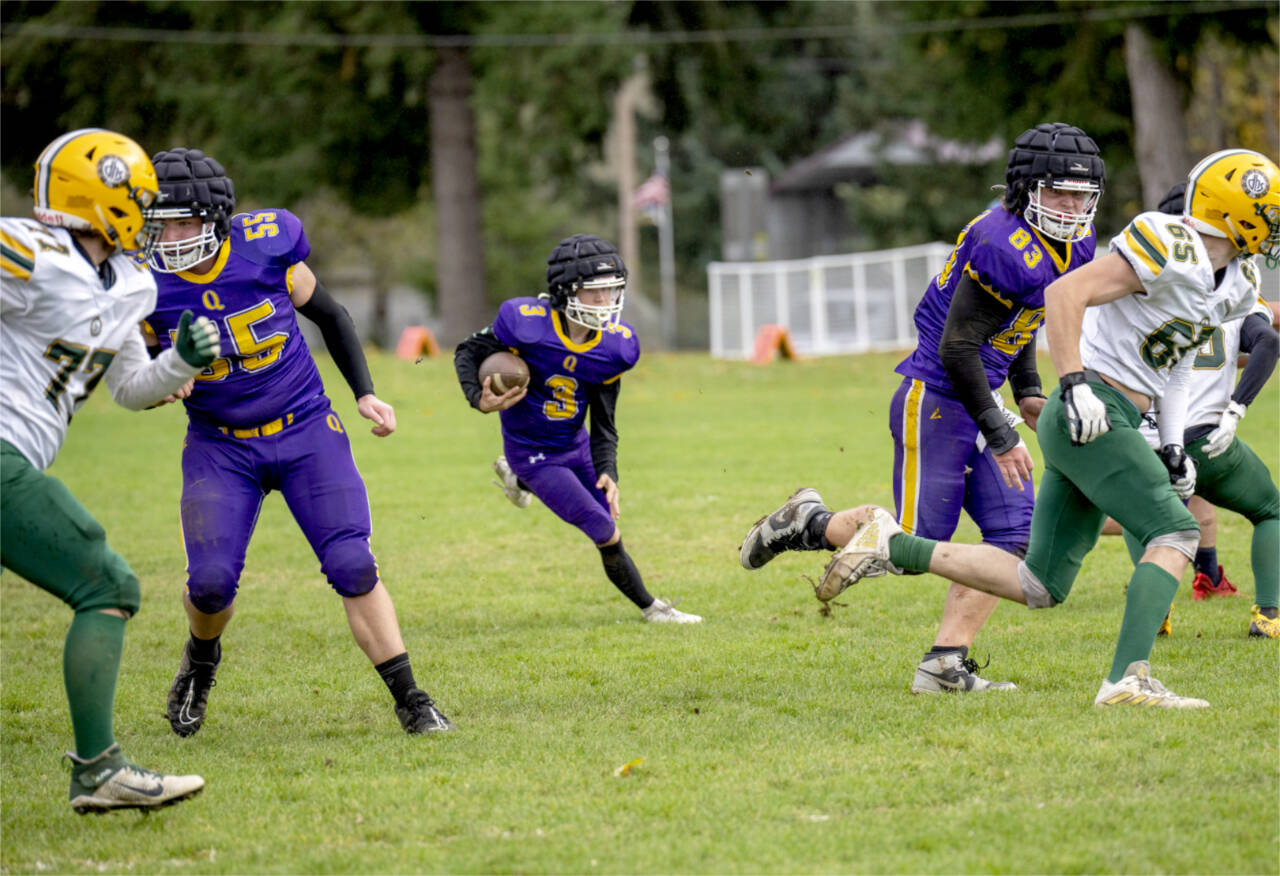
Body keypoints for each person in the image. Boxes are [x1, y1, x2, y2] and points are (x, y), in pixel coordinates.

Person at [748, 148, 1280, 708]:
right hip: (1084, 405)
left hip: (1116, 411)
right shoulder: (1166, 242)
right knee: (1175, 533)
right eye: (1269, 213)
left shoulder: (1239, 279)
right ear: (1234, 211)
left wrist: (1171, 442)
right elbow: (1060, 297)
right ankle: (1128, 680)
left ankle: (905, 573)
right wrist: (1070, 384)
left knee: (1038, 583)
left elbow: (1174, 365)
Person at [741, 123, 1106, 693]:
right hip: (937, 396)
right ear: (1026, 188)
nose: (1073, 206)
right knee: (913, 544)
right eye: (1060, 192)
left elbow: (1021, 324)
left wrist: (1029, 387)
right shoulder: (1001, 242)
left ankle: (945, 663)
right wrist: (1002, 430)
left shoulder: (1076, 243)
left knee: (1014, 538)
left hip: (981, 395)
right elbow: (957, 345)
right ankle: (807, 522)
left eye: (1083, 194)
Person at [140, 148, 453, 736]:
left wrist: (364, 392)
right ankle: (201, 663)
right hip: (220, 444)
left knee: (353, 563)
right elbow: (135, 370)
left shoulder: (267, 245)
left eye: (181, 221)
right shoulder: (144, 280)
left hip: (307, 427)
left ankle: (412, 698)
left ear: (214, 218)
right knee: (208, 586)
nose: (168, 235)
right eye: (160, 222)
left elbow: (330, 316)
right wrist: (161, 385)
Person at [1, 129, 218, 811]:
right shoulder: (30, 252)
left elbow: (131, 388)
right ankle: (98, 769)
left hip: (21, 454)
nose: (151, 216)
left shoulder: (130, 282)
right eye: (142, 199)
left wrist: (180, 359)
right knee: (107, 581)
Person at [454, 233, 701, 624]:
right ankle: (653, 609)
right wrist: (477, 397)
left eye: (612, 291)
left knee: (608, 514)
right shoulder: (526, 325)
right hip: (533, 451)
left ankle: (517, 483)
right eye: (594, 292)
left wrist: (608, 469)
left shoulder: (613, 348)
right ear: (566, 291)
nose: (606, 302)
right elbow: (468, 350)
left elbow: (605, 419)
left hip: (576, 444)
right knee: (603, 529)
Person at [1115, 182, 1280, 638]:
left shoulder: (1138, 275)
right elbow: (1266, 341)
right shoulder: (1236, 282)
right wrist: (1236, 409)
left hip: (1144, 436)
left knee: (1141, 517)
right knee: (1271, 510)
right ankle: (1269, 614)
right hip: (1205, 435)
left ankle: (1159, 609)